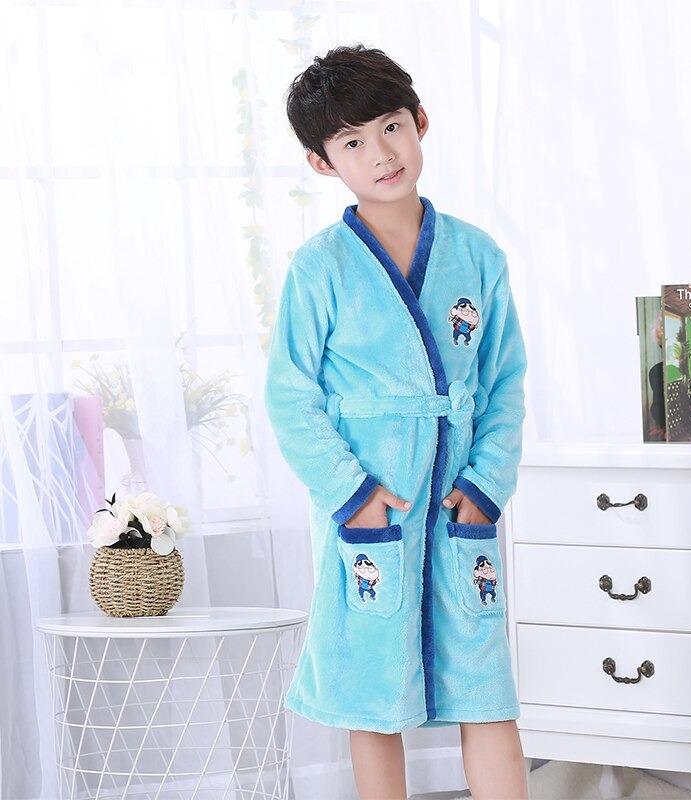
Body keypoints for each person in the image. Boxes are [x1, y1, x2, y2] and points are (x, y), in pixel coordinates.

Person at [265, 44, 529, 800]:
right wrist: (353, 496)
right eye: (352, 142)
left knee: (484, 682)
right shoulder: (320, 267)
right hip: (371, 506)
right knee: (372, 690)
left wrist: (486, 483)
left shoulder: (477, 256)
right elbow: (289, 395)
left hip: (458, 501)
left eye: (390, 127)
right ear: (322, 162)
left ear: (420, 122)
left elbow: (504, 382)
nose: (381, 154)